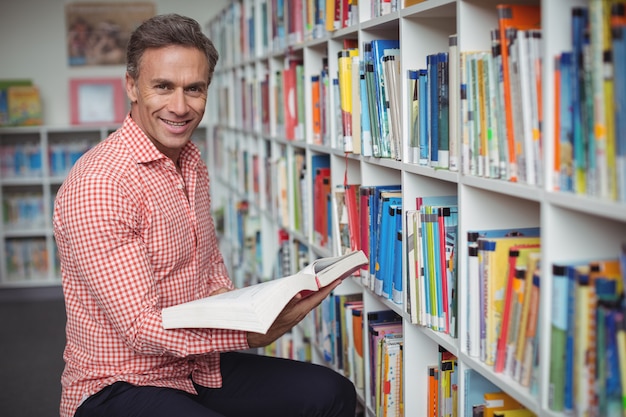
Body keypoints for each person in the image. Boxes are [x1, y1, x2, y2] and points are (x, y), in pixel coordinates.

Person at [53, 13, 356, 417]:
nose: (180, 107)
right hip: (117, 384)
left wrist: (266, 303)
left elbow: (211, 274)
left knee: (332, 392)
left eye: (194, 89)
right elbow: (142, 330)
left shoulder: (191, 162)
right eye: (163, 87)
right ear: (132, 87)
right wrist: (249, 334)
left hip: (197, 366)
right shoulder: (100, 184)